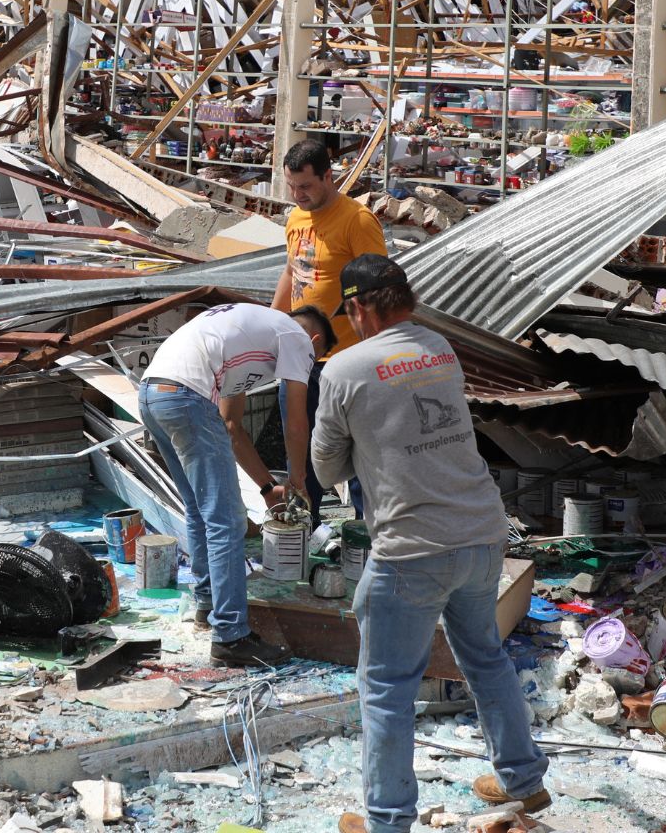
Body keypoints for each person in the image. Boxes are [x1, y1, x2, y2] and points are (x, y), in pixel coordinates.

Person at [312, 255, 548, 833]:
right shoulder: (440, 349)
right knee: (485, 657)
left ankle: (388, 820)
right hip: (483, 535)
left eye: (351, 311)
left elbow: (324, 468)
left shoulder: (344, 370)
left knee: (387, 687)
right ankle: (523, 780)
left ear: (360, 305)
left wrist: (364, 457)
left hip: (411, 550)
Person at [140, 302, 333, 668]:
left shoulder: (247, 337)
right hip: (185, 396)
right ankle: (231, 636)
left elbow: (230, 427)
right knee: (227, 521)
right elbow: (296, 421)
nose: (306, 366)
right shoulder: (296, 337)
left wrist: (267, 487)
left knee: (201, 509)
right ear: (316, 340)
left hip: (153, 394)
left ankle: (208, 603)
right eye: (314, 359)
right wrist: (299, 481)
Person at [271, 138, 386, 522]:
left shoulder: (356, 220)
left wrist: (372, 355)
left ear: (328, 176)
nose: (297, 195)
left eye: (305, 186)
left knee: (356, 453)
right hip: (300, 360)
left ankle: (366, 539)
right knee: (300, 455)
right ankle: (307, 532)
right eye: (291, 186)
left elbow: (377, 290)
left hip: (345, 360)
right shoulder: (295, 219)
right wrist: (272, 325)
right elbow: (291, 271)